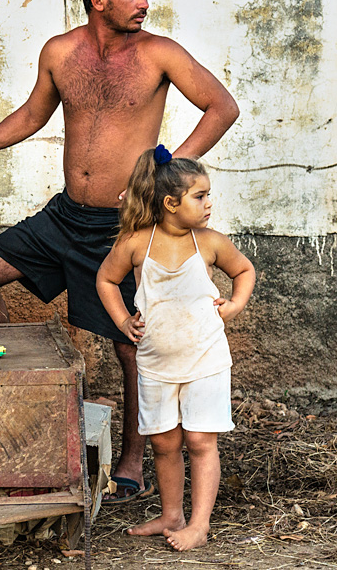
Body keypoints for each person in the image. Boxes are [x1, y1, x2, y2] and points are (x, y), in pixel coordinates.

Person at [0, 0, 240, 503]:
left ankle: (134, 458)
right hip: (64, 217)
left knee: (132, 344)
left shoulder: (159, 54)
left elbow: (222, 107)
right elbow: (31, 115)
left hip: (126, 226)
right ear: (99, 0)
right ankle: (19, 399)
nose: (145, 3)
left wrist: (162, 173)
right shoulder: (61, 52)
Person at [96, 147, 255, 550]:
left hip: (205, 361)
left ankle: (198, 525)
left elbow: (244, 270)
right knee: (164, 443)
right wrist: (121, 320)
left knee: (201, 442)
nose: (208, 203)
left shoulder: (210, 243)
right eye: (199, 196)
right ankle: (171, 514)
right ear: (170, 203)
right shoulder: (137, 243)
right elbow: (106, 280)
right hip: (155, 363)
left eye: (207, 195)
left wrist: (234, 305)